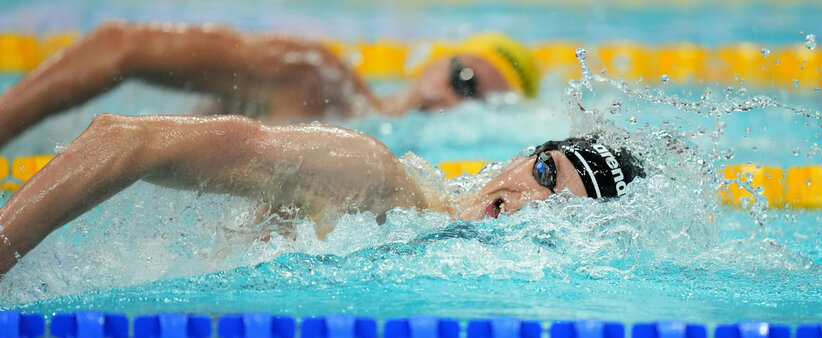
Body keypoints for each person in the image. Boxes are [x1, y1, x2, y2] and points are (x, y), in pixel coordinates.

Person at [0, 114, 643, 275]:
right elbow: (126, 139)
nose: (528, 204)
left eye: (561, 213)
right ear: (520, 154)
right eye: (547, 174)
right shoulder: (364, 172)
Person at [0, 22, 540, 147]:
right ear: (435, 62)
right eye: (462, 79)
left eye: (476, 106)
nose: (451, 102)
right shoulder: (312, 77)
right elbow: (117, 46)